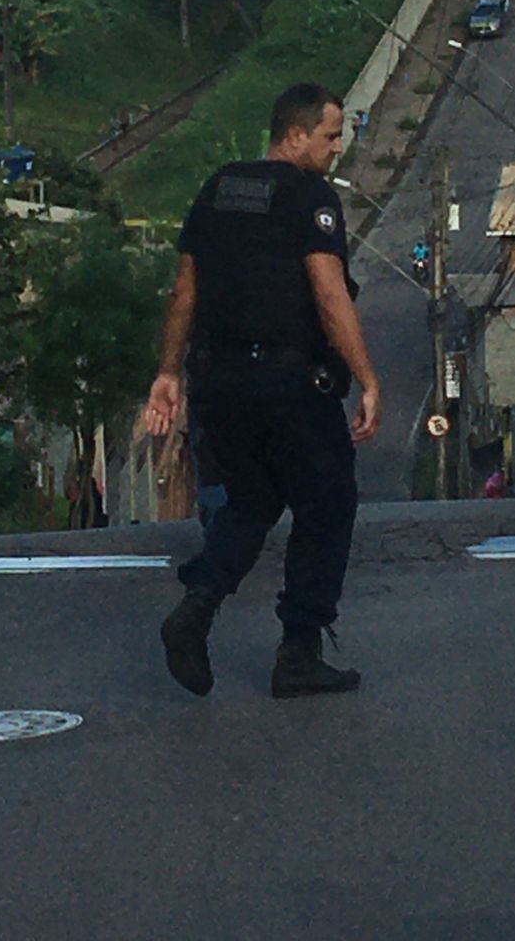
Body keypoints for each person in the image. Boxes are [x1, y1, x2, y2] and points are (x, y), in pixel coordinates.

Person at [145, 82, 383, 700]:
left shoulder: (218, 188)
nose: (336, 149)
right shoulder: (310, 197)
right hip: (290, 383)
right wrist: (368, 377)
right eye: (331, 136)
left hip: (220, 384)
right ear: (296, 134)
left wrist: (169, 373)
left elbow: (184, 294)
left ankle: (196, 610)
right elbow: (329, 295)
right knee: (327, 503)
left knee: (249, 503)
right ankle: (299, 649)